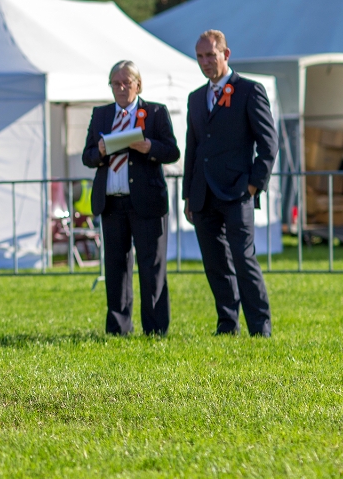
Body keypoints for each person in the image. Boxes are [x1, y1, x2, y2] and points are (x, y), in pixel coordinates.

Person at [183, 30, 277, 337]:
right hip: (203, 194)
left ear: (226, 54)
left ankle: (260, 328)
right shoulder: (196, 98)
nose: (205, 62)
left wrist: (253, 185)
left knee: (243, 259)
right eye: (200, 56)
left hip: (238, 192)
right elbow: (193, 148)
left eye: (211, 55)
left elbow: (268, 144)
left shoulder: (250, 90)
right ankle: (227, 323)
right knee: (214, 264)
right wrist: (188, 195)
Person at [82, 61, 180, 335]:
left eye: (127, 82)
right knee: (115, 267)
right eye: (116, 83)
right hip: (112, 202)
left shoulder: (155, 112)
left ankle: (156, 328)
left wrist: (149, 147)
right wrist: (100, 150)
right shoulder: (101, 115)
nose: (122, 88)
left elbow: (172, 151)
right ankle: (118, 328)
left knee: (152, 267)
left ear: (138, 84)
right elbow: (87, 156)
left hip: (147, 202)